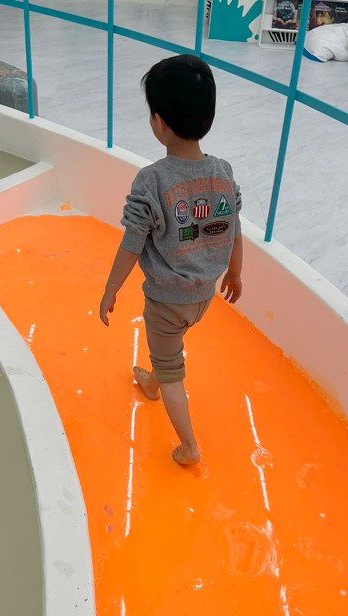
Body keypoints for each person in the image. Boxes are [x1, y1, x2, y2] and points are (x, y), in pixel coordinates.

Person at [99, 54, 243, 466]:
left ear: (159, 122)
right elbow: (233, 228)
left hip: (166, 301)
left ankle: (189, 447)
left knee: (172, 367)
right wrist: (235, 273)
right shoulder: (223, 172)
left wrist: (110, 289)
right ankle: (152, 383)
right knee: (166, 353)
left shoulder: (152, 180)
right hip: (204, 296)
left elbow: (131, 243)